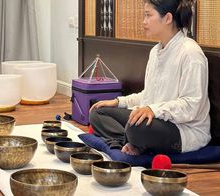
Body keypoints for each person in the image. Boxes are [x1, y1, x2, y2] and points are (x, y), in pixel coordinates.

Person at [89, 0, 211, 156]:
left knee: (136, 128)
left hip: (183, 130)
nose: (144, 21)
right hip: (156, 120)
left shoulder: (191, 53)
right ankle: (132, 143)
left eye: (148, 15)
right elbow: (148, 95)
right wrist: (118, 102)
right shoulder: (155, 51)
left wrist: (153, 109)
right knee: (99, 113)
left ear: (167, 18)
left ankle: (131, 142)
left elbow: (190, 106)